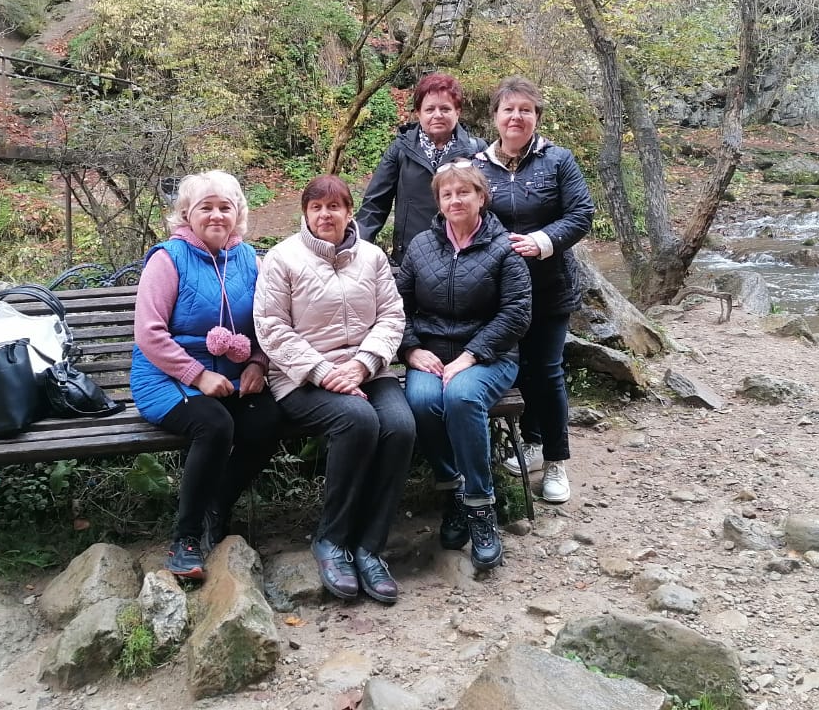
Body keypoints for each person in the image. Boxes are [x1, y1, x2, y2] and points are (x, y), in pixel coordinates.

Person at [254, 175, 414, 604]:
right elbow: (271, 328)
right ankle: (332, 540)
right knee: (357, 420)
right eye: (316, 207)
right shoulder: (283, 258)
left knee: (400, 426)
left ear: (349, 212)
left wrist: (362, 365)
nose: (326, 215)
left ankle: (369, 548)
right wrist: (324, 372)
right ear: (306, 214)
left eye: (334, 207)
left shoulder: (372, 257)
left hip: (367, 369)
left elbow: (391, 317)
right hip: (300, 377)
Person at [130, 170, 282, 579]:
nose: (216, 215)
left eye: (225, 207)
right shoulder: (168, 259)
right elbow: (149, 333)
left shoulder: (250, 261)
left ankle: (218, 504)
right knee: (214, 425)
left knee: (269, 419)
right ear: (187, 214)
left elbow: (267, 323)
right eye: (206, 207)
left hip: (232, 375)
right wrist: (196, 376)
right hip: (167, 377)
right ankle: (186, 537)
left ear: (238, 214)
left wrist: (258, 363)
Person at [398, 159, 531, 570]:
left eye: (464, 192)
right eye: (447, 194)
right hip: (431, 353)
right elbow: (396, 305)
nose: (455, 200)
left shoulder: (504, 248)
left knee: (460, 397)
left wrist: (471, 355)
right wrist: (410, 350)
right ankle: (453, 488)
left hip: (491, 355)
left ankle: (480, 505)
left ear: (481, 197)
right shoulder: (422, 245)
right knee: (422, 400)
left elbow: (517, 314)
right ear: (438, 202)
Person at [472, 77, 594, 505]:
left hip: (549, 286)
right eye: (508, 109)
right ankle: (533, 441)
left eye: (525, 109)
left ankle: (557, 460)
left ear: (536, 117)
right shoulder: (478, 165)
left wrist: (541, 241)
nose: (516, 117)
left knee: (547, 370)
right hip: (500, 292)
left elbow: (581, 213)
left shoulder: (558, 160)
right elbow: (466, 214)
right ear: (495, 117)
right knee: (519, 369)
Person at [355, 73, 487, 265]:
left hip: (465, 259)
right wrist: (356, 249)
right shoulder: (401, 150)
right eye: (430, 109)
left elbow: (489, 205)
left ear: (457, 112)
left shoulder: (476, 151)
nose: (437, 115)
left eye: (445, 109)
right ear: (418, 113)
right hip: (411, 258)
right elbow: (375, 205)